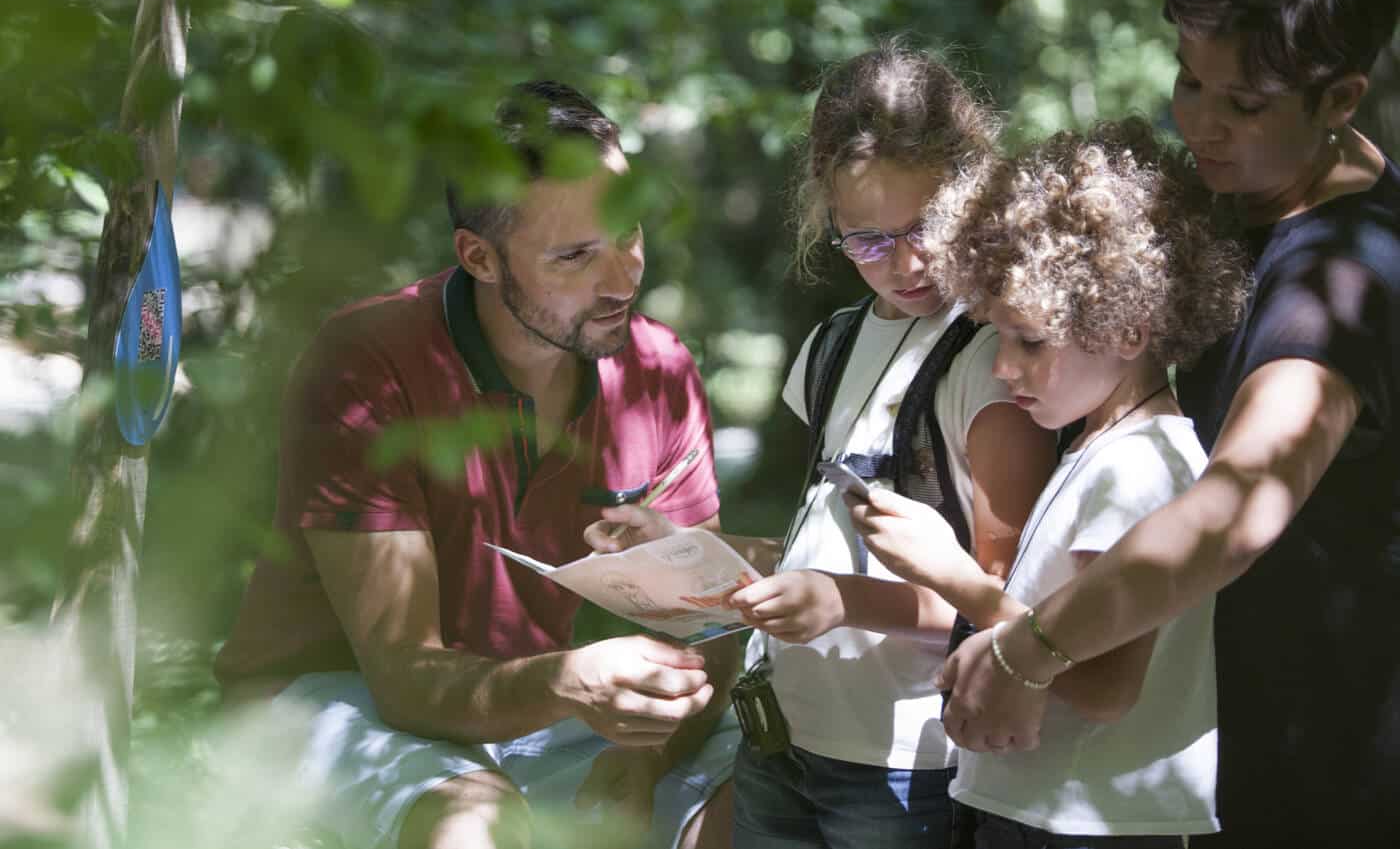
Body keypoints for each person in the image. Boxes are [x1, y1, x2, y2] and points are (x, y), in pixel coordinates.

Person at [932, 0, 1400, 847]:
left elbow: (1238, 509)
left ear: (1341, 98)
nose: (1202, 123)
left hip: (1325, 763)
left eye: (1244, 103)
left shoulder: (1339, 277)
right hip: (1202, 757)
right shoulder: (1247, 191)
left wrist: (1029, 648)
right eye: (1189, 81)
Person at [213, 80, 741, 849]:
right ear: (479, 257)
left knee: (753, 800)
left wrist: (652, 754)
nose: (624, 277)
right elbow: (403, 673)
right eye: (575, 255)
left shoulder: (658, 366)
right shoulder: (369, 359)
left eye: (628, 232)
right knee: (473, 823)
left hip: (535, 705)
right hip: (328, 697)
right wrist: (572, 682)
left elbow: (709, 624)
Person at [592, 42, 1058, 848]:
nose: (903, 263)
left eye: (925, 227)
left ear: (975, 193)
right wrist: (690, 550)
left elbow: (1002, 603)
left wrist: (842, 600)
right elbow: (821, 550)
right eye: (866, 241)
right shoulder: (834, 346)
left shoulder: (996, 359)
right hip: (787, 742)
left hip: (908, 764)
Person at [851, 120, 1250, 847]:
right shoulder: (1098, 449)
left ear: (1128, 329)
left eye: (1029, 340)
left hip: (1082, 825)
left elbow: (1106, 686)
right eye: (998, 336)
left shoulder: (1140, 468)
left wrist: (953, 575)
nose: (1003, 367)